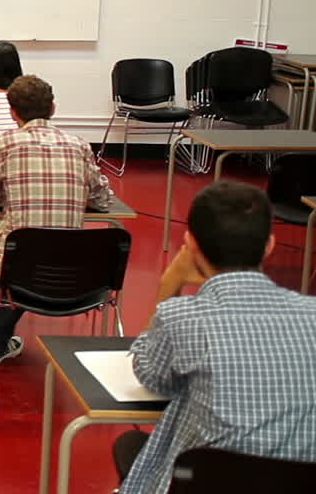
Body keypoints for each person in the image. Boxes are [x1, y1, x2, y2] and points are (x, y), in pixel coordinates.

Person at [113, 182, 316, 494]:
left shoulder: (182, 317)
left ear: (190, 243)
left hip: (206, 480)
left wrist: (170, 285)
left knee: (131, 444)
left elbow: (152, 376)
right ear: (269, 245)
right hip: (295, 481)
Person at [0, 75, 112, 364]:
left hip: (19, 273)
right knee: (36, 255)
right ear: (53, 108)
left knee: (16, 258)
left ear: (13, 112)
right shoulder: (79, 145)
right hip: (76, 276)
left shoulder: (5, 144)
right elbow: (102, 199)